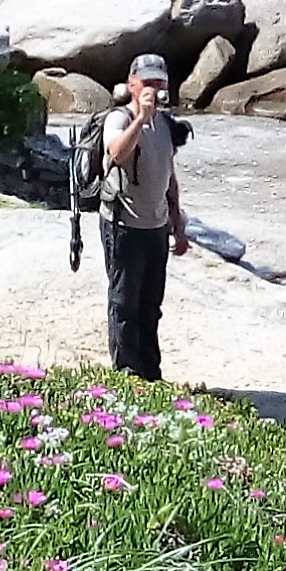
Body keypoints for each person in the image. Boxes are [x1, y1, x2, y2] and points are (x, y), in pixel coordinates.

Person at [93, 53, 189, 381]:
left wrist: (178, 222)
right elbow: (117, 153)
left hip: (156, 227)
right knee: (124, 303)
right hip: (123, 225)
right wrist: (141, 118)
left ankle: (151, 373)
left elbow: (168, 174)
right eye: (147, 82)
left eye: (160, 83)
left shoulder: (165, 123)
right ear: (132, 83)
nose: (155, 88)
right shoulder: (119, 119)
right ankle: (127, 374)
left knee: (150, 306)